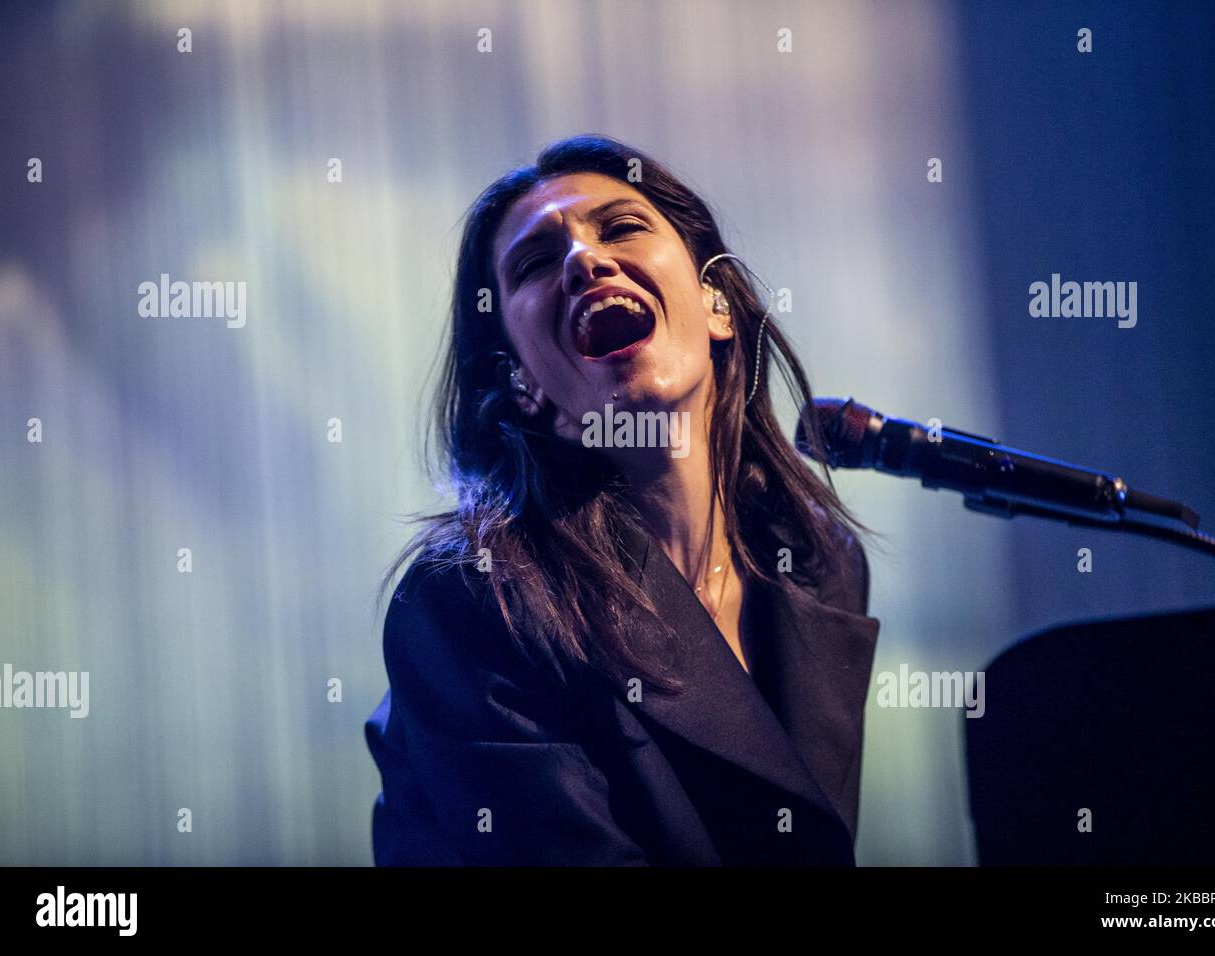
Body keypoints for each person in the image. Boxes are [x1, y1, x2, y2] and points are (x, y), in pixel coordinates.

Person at [364, 134, 881, 865]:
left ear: (718, 307)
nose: (584, 260)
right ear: (524, 386)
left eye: (622, 227)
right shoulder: (476, 600)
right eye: (538, 262)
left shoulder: (817, 560)